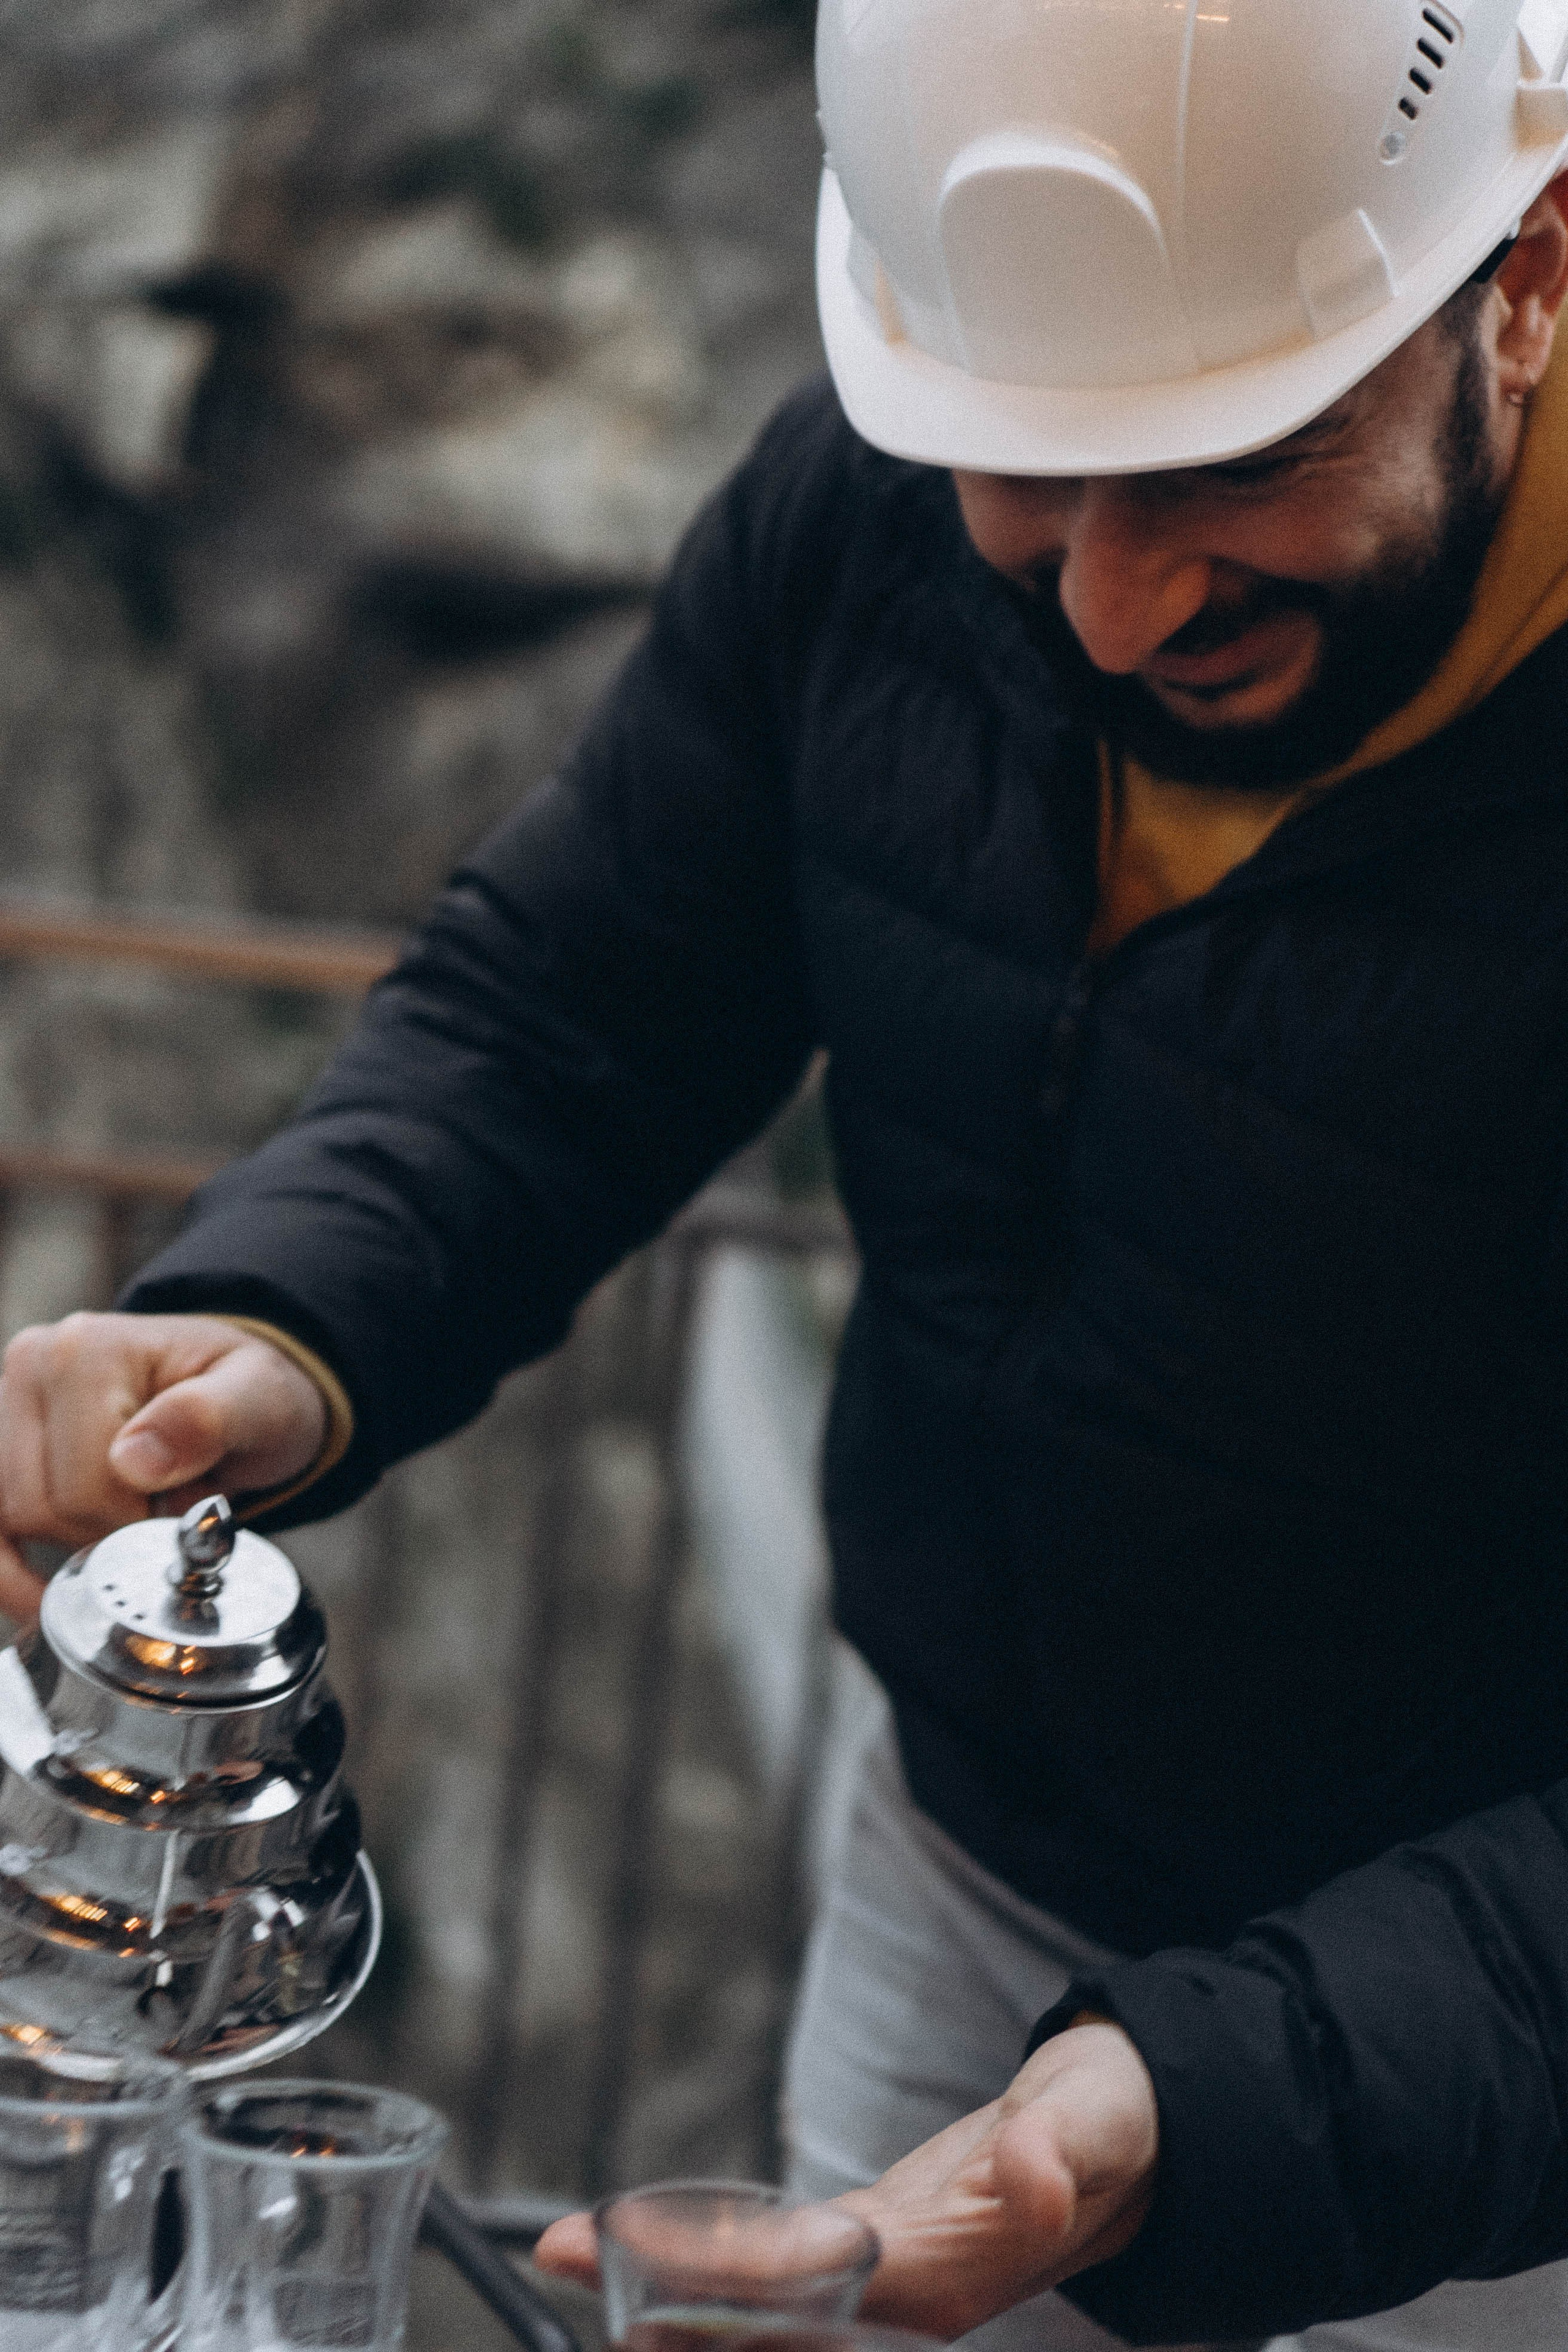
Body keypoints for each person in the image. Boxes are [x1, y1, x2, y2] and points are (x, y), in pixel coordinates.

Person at [6, 1, 1568, 2344]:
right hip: (957, 1875)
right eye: (1024, 465)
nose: (1109, 604)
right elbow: (576, 1003)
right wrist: (279, 1320)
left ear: (1524, 277)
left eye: (1237, 453)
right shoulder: (871, 513)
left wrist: (1237, 2091)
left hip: (1491, 2111)